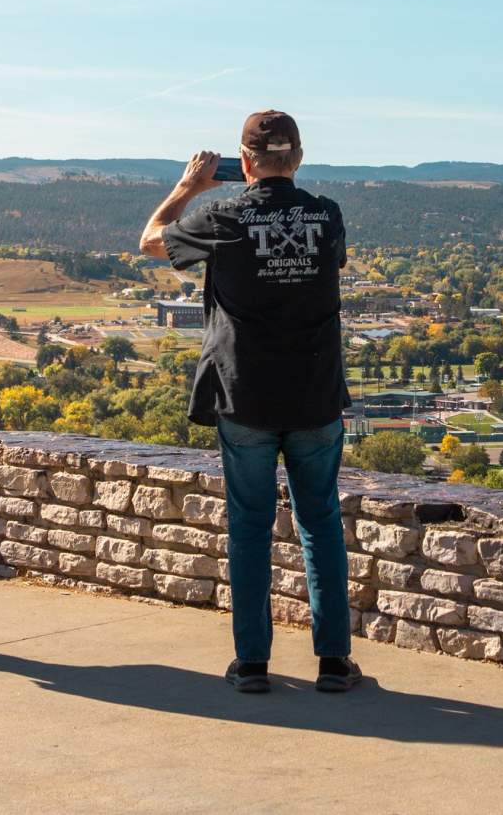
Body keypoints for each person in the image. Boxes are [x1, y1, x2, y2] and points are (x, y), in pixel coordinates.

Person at [139, 110, 361, 693]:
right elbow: (326, 264)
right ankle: (334, 661)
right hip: (315, 394)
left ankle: (253, 663)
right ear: (299, 158)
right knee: (320, 525)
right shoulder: (327, 214)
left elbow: (150, 241)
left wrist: (189, 186)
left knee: (249, 528)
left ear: (243, 163)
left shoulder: (223, 215)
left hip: (245, 395)